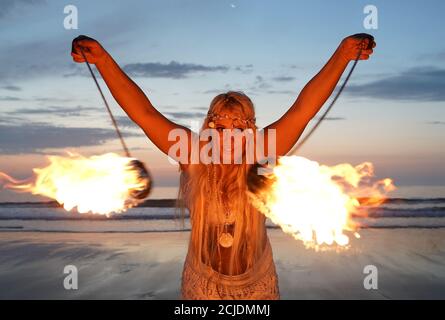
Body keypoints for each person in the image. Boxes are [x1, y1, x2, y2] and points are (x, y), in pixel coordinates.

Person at [71, 33, 375, 299]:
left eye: (238, 129)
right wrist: (102, 60)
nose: (228, 137)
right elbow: (144, 113)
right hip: (202, 285)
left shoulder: (261, 153)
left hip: (257, 285)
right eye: (219, 128)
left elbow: (302, 110)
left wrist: (343, 53)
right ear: (208, 128)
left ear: (251, 131)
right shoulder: (192, 155)